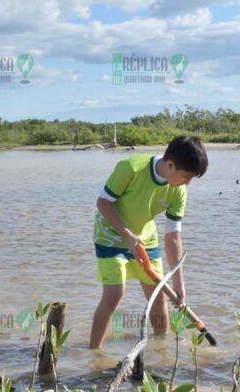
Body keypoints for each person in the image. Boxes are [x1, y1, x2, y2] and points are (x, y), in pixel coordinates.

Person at [89, 136, 208, 349]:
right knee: (114, 294)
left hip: (145, 238)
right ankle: (94, 353)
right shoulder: (130, 168)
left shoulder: (178, 191)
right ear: (170, 164)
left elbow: (173, 237)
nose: (187, 183)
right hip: (111, 234)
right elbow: (103, 203)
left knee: (158, 295)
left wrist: (179, 285)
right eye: (186, 177)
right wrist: (126, 235)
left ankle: (160, 350)